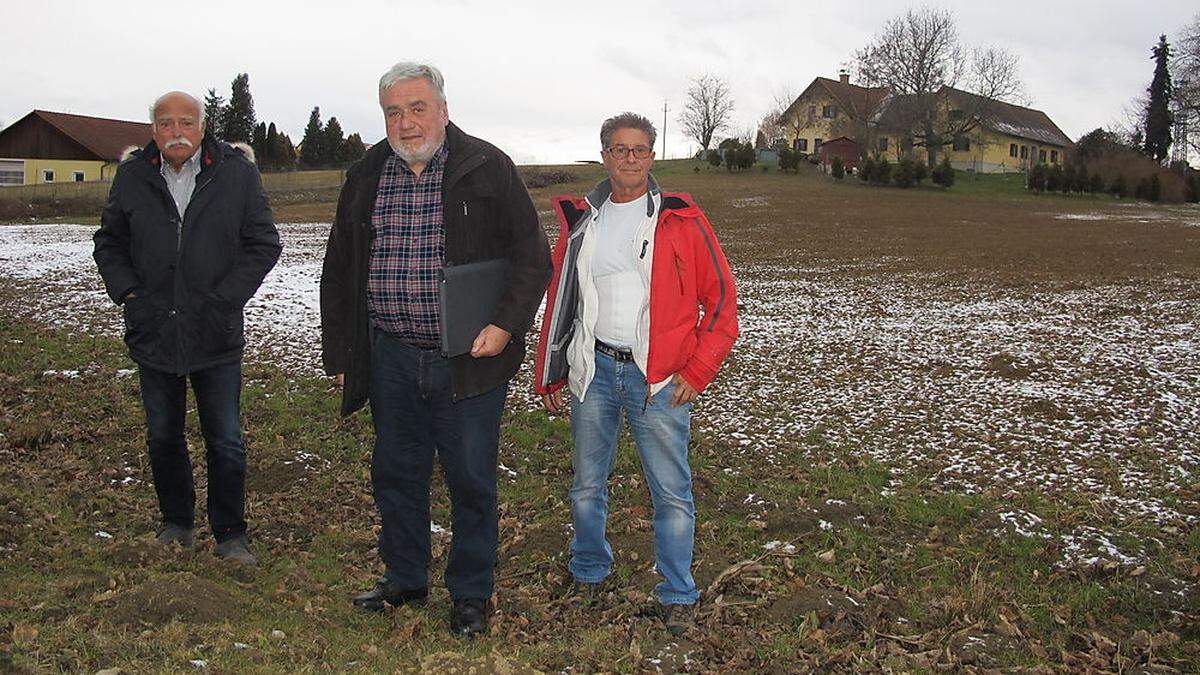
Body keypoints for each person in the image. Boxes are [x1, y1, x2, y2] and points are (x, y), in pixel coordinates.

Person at [320, 62, 551, 637]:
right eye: (393, 112)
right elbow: (339, 266)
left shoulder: (486, 167)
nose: (405, 122)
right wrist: (343, 352)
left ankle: (471, 593)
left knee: (471, 479)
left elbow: (532, 257)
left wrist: (504, 326)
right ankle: (405, 577)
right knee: (396, 474)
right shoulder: (368, 172)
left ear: (443, 110)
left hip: (469, 361)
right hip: (391, 357)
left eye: (417, 108)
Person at [533, 112, 739, 635]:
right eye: (620, 149)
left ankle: (676, 590)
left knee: (671, 491)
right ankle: (588, 570)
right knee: (586, 485)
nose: (630, 158)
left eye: (640, 150)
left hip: (660, 379)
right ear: (604, 154)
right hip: (596, 370)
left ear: (652, 157)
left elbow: (722, 305)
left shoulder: (682, 221)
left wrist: (697, 371)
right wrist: (552, 370)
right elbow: (561, 299)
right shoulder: (584, 221)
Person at [93, 90, 281, 566]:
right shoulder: (133, 176)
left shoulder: (236, 173)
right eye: (165, 122)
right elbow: (109, 243)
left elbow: (263, 242)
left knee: (225, 439)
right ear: (153, 129)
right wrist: (131, 295)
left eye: (186, 122)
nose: (176, 131)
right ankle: (176, 522)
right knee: (162, 435)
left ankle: (230, 534)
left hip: (214, 332)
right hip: (154, 331)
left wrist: (225, 299)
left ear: (202, 126)